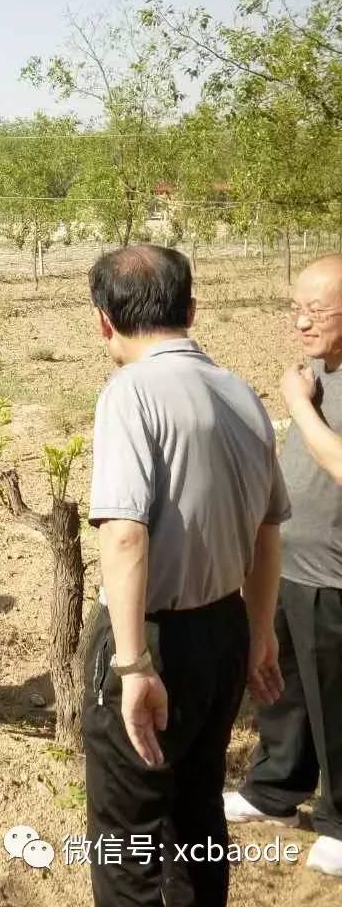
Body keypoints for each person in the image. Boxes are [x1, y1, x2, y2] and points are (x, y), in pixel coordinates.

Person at [83, 244, 289, 907]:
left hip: (154, 637)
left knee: (129, 836)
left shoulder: (130, 393)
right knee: (197, 811)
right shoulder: (240, 393)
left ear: (103, 322)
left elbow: (123, 532)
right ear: (191, 309)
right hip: (223, 630)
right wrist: (259, 632)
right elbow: (267, 527)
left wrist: (134, 664)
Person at [225, 253, 342, 879]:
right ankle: (274, 786)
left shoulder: (314, 384)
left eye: (315, 312)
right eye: (294, 308)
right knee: (284, 687)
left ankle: (340, 818)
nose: (300, 323)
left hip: (335, 573)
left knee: (335, 699)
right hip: (292, 562)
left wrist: (298, 404)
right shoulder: (322, 367)